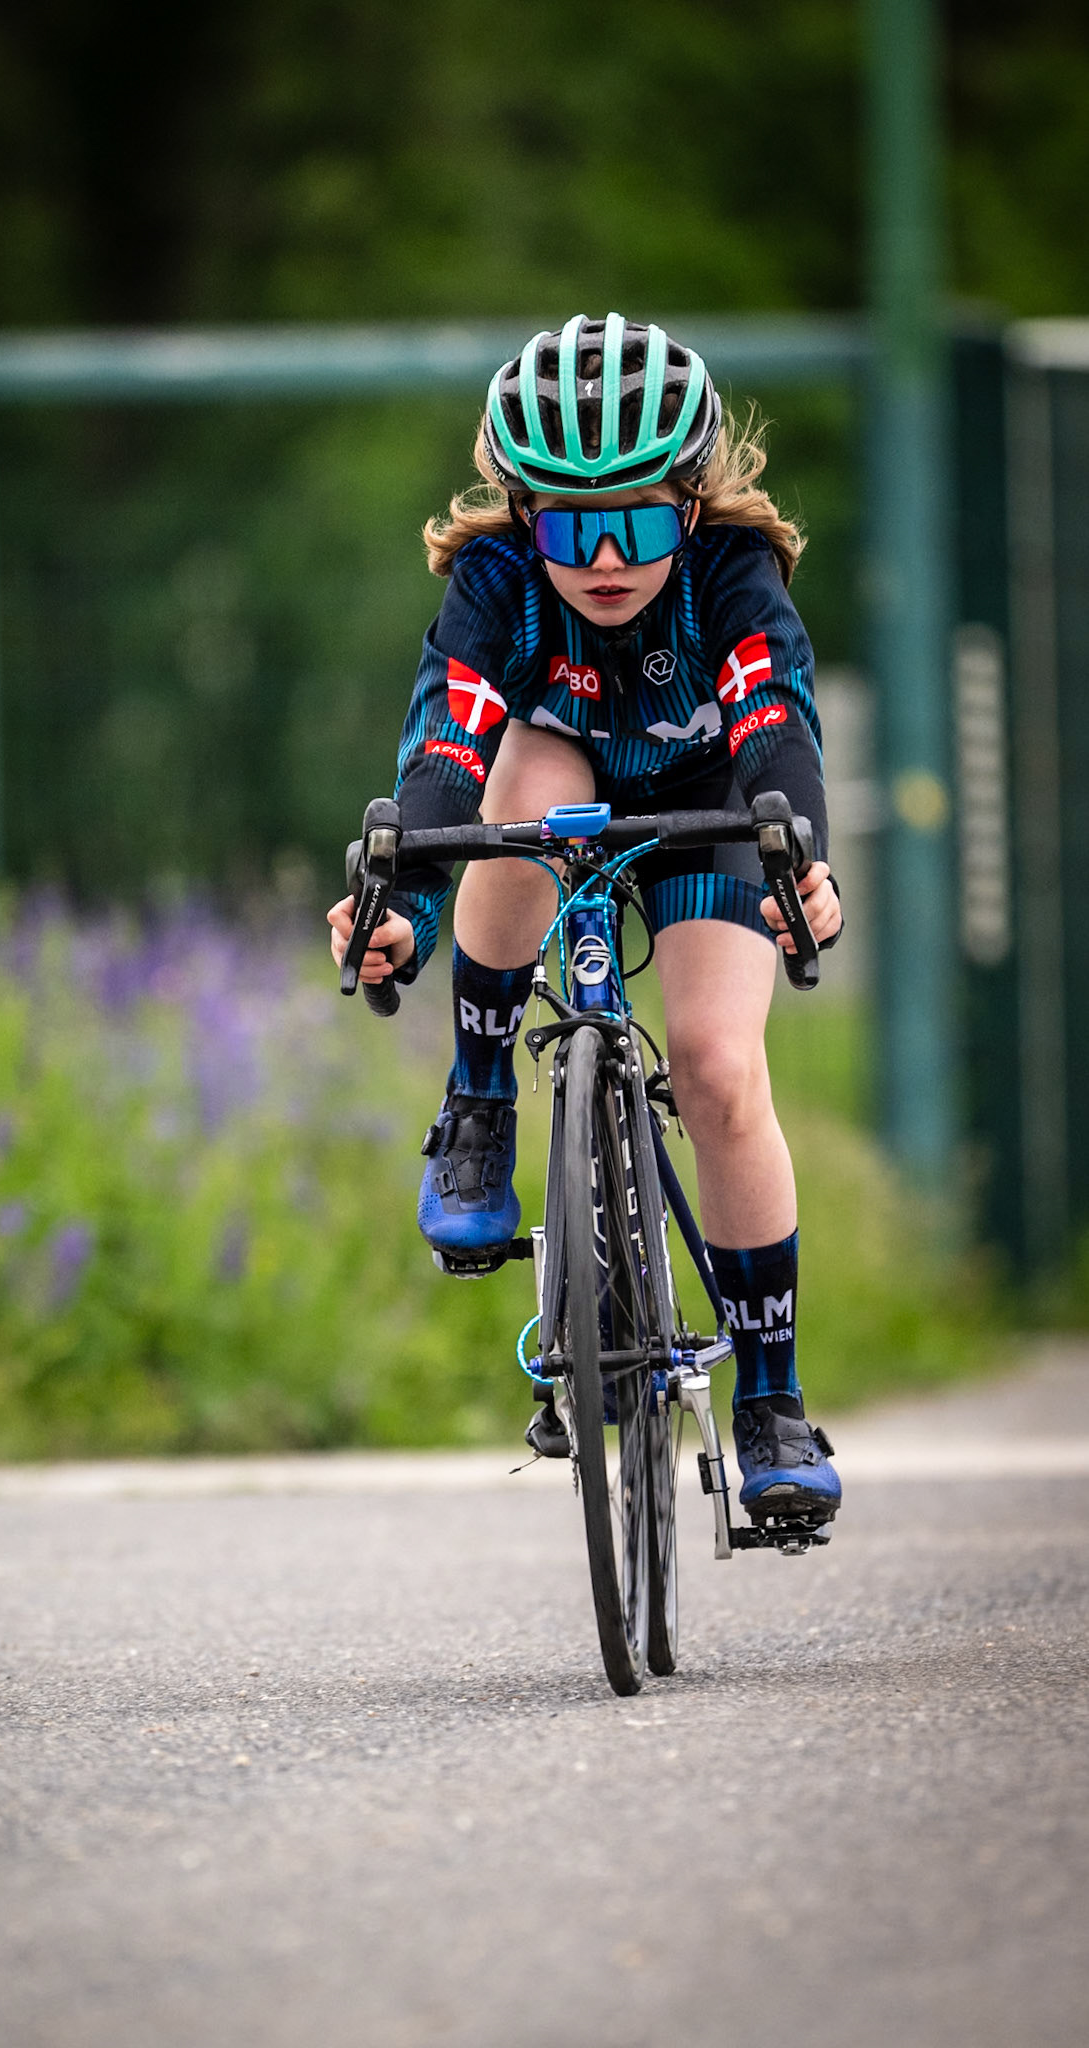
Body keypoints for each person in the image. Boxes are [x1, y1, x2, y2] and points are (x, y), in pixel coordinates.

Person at [328, 314, 842, 1526]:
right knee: (526, 780)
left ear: (690, 505)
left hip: (711, 801)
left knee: (718, 1068)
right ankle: (478, 1100)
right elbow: (445, 756)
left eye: (638, 524)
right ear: (525, 518)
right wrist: (399, 908)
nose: (605, 558)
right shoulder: (496, 584)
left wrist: (801, 866)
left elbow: (776, 735)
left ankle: (771, 1399)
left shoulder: (732, 575)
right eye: (570, 526)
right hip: (557, 777)